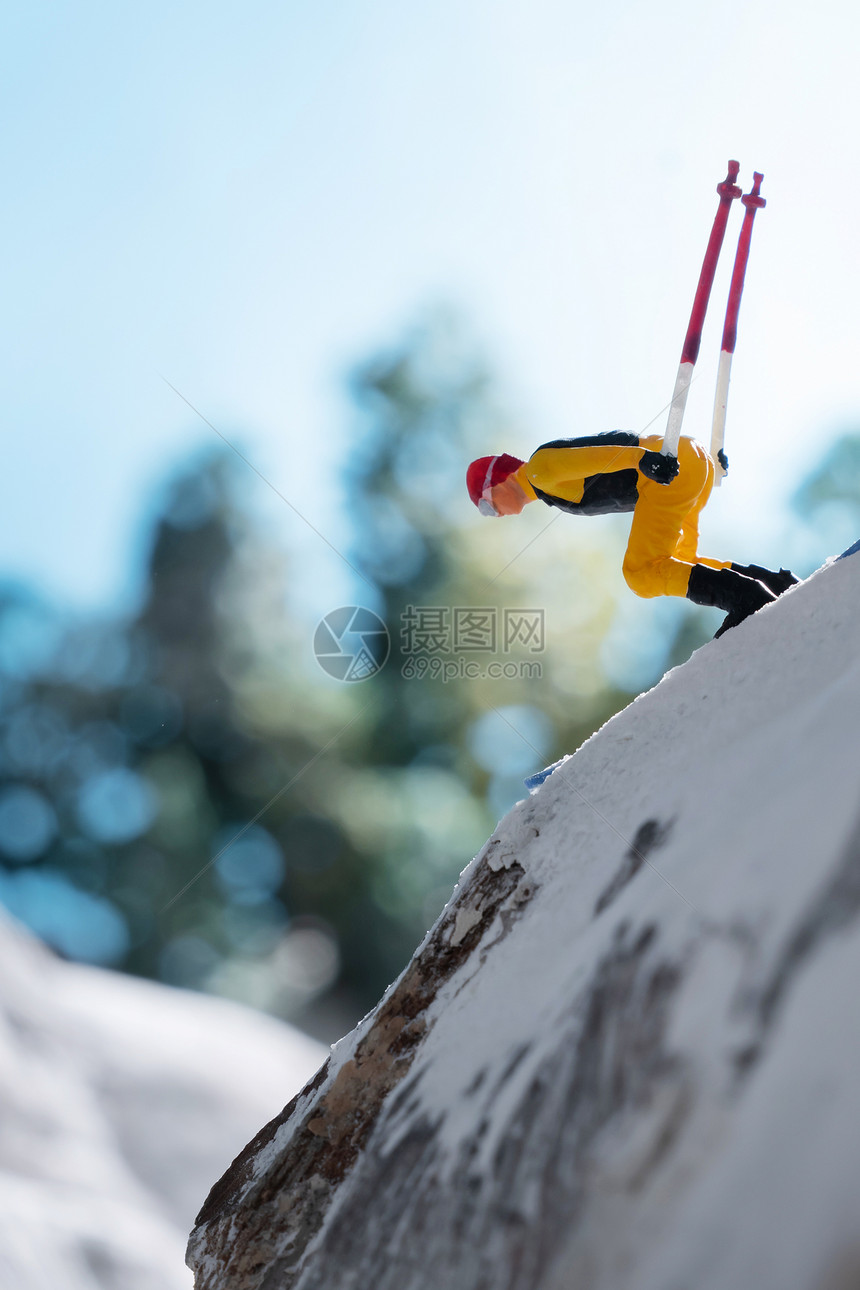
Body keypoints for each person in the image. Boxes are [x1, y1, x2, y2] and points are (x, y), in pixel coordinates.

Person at [466, 432, 797, 637]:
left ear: (497, 481)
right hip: (684, 465)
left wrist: (645, 461)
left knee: (641, 573)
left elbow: (599, 454)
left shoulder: (539, 468)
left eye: (486, 507)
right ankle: (773, 583)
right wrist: (708, 462)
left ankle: (746, 597)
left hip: (665, 470)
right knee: (679, 563)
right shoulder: (544, 485)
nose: (494, 515)